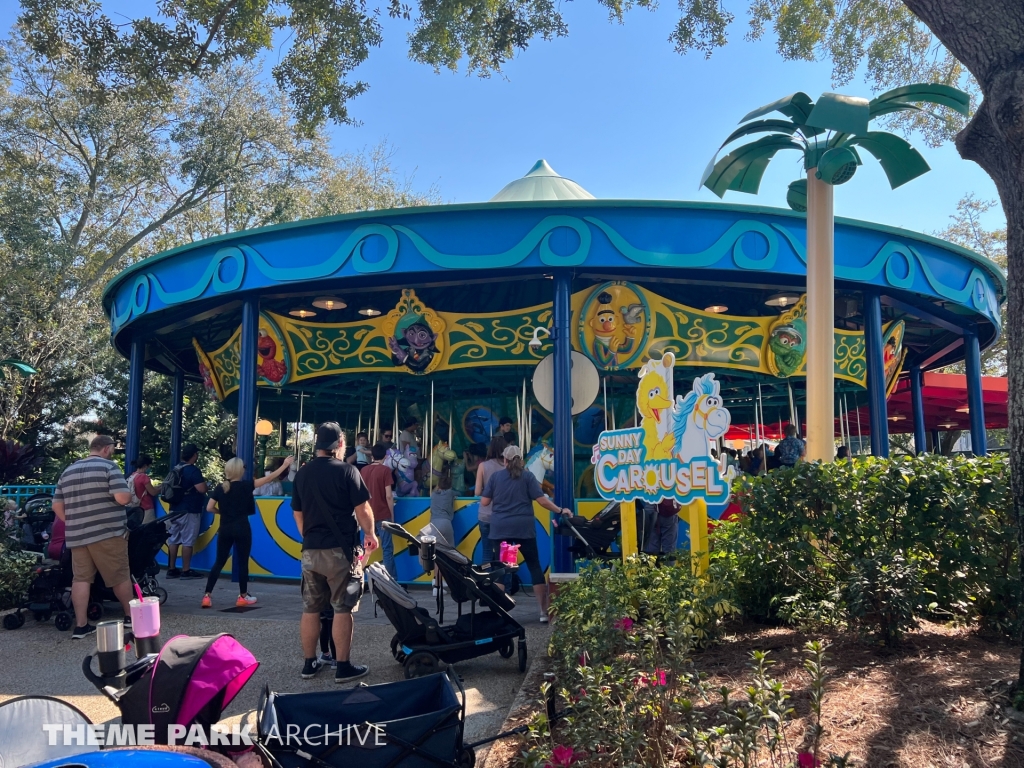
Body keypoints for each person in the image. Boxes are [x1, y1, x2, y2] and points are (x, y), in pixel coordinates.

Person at [292, 422, 378, 683]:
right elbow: (363, 509)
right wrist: (370, 534)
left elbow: (298, 513)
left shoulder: (302, 474)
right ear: (340, 444)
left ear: (317, 444)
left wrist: (309, 537)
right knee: (342, 609)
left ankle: (309, 664)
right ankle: (343, 667)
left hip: (311, 551)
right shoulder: (347, 471)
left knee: (310, 608)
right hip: (340, 552)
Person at [51, 435, 134, 640]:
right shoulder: (109, 467)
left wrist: (73, 520)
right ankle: (130, 617)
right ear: (106, 448)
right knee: (119, 575)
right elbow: (123, 498)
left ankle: (81, 626)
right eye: (112, 448)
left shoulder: (68, 471)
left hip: (77, 535)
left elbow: (56, 505)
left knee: (80, 578)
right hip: (107, 532)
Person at [481, 444, 571, 623]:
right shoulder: (528, 477)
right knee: (534, 566)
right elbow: (542, 501)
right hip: (524, 530)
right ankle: (543, 612)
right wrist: (561, 510)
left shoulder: (496, 477)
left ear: (505, 460)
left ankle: (499, 612)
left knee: (501, 569)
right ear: (520, 460)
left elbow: (484, 502)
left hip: (502, 530)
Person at [201, 455, 294, 609]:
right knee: (243, 562)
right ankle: (243, 596)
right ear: (240, 471)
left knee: (219, 562)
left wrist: (221, 512)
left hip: (225, 528)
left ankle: (207, 596)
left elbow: (209, 508)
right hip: (242, 527)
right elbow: (269, 478)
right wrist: (284, 465)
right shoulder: (247, 485)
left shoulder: (220, 487)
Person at [166, 444, 208, 579]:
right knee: (188, 541)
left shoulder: (176, 468)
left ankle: (171, 569)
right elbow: (202, 489)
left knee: (173, 540)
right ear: (194, 455)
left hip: (174, 509)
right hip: (189, 509)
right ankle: (186, 570)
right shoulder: (193, 471)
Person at [359, 443, 397, 580]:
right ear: (385, 456)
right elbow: (388, 495)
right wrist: (392, 515)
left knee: (365, 547)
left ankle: (360, 575)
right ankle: (391, 581)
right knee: (387, 548)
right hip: (382, 514)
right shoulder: (385, 470)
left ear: (372, 456)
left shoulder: (363, 470)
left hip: (366, 515)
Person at [474, 436, 506, 565]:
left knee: (487, 552)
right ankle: (504, 578)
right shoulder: (507, 467)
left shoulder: (483, 466)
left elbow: (477, 492)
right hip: (503, 515)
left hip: (485, 514)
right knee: (503, 554)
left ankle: (487, 577)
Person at [128, 454, 160, 524]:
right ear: (145, 466)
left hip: (137, 508)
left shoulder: (133, 475)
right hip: (146, 507)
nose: (149, 469)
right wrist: (162, 488)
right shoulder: (144, 477)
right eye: (149, 466)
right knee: (148, 528)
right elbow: (153, 492)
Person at [429, 471, 457, 547]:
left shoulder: (433, 495)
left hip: (433, 524)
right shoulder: (450, 493)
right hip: (445, 523)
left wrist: (438, 486)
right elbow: (460, 494)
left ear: (438, 486)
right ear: (450, 486)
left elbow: (433, 492)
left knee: (435, 549)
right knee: (450, 550)